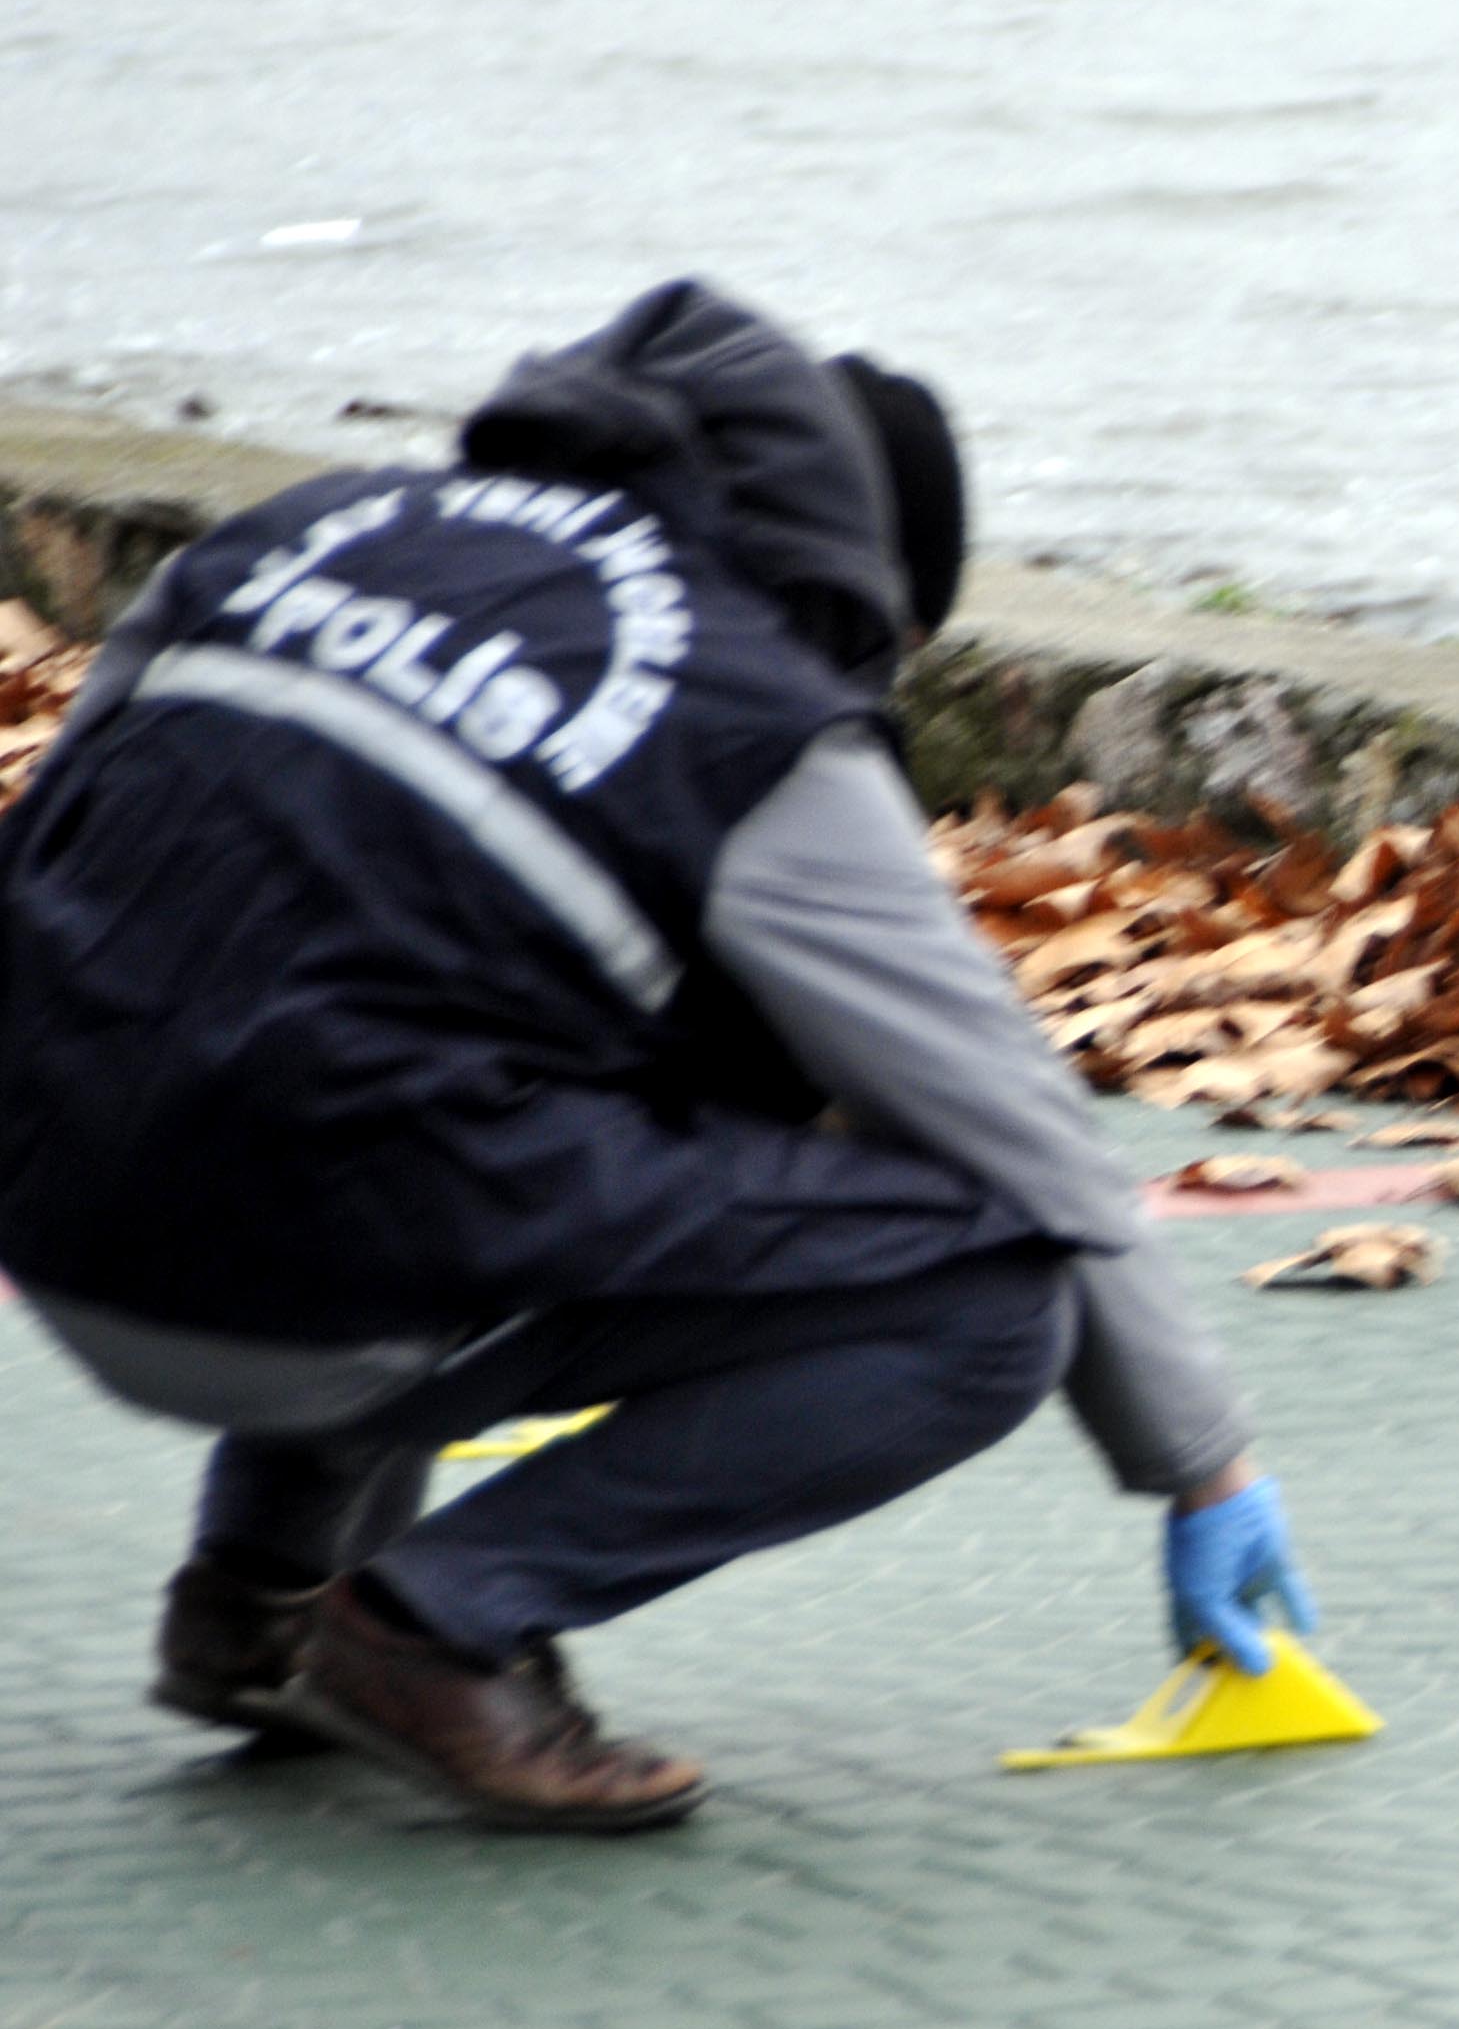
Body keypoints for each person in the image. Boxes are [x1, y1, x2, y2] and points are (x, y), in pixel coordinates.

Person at [0, 281, 1317, 1832]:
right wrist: (1205, 1467)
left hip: (53, 1208)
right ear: (852, 578)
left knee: (348, 1009)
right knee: (984, 1299)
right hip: (296, 1287)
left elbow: (67, 859)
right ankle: (433, 1630)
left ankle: (253, 1608)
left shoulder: (303, 536)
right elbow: (1014, 1132)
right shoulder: (750, 711)